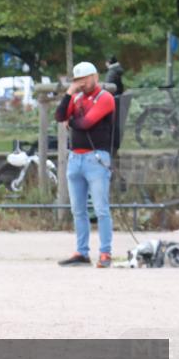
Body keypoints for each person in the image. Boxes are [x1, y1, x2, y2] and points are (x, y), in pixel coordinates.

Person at [56, 61, 116, 268]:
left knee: (101, 209)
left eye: (85, 78)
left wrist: (70, 122)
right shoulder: (76, 97)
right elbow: (59, 115)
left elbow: (87, 122)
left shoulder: (105, 98)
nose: (82, 83)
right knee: (78, 210)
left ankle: (105, 252)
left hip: (96, 158)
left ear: (95, 77)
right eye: (78, 80)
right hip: (76, 158)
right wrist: (69, 93)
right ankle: (81, 252)